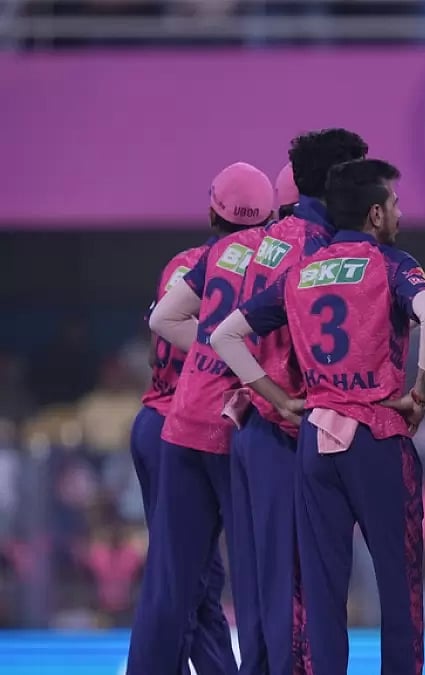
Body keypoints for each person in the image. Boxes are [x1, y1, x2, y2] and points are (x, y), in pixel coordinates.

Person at [210, 158, 425, 675]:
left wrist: (274, 396)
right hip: (378, 435)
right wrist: (423, 390)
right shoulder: (390, 262)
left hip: (316, 441)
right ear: (374, 214)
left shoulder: (299, 273)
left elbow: (224, 335)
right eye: (394, 204)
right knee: (397, 581)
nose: (400, 213)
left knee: (322, 589)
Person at [227, 128, 367, 675]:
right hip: (287, 431)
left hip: (251, 427)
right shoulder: (319, 251)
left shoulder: (269, 239)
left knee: (263, 584)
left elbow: (225, 331)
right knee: (295, 584)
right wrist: (281, 399)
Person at [128, 161, 275, 675]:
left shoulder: (185, 262)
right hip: (226, 423)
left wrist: (210, 349)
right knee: (239, 577)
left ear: (212, 212)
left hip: (162, 421)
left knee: (178, 580)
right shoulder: (276, 263)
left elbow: (158, 337)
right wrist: (233, 359)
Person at [130, 235, 233, 675]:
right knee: (181, 580)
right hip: (201, 422)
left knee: (190, 579)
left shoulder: (183, 262)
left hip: (156, 420)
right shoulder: (254, 263)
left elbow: (162, 321)